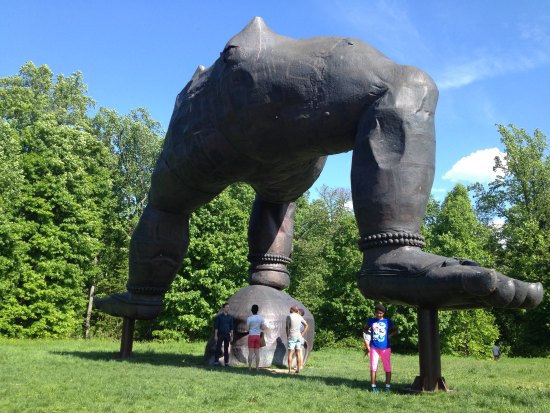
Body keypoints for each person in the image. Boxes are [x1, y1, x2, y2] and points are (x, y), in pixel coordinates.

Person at [94, 16, 543, 323]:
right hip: (226, 103)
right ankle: (392, 252)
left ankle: (152, 294)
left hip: (214, 135)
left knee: (185, 205)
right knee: (404, 85)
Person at [366, 304, 397, 392]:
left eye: (380, 313)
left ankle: (387, 387)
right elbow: (365, 329)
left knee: (387, 367)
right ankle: (373, 387)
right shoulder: (371, 321)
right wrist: (369, 335)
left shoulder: (388, 321)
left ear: (383, 313)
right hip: (374, 347)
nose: (379, 315)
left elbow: (396, 330)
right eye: (377, 313)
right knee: (373, 367)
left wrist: (390, 335)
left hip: (385, 348)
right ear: (375, 313)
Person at [286, 305, 308, 373]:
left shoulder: (289, 316)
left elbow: (287, 327)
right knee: (298, 353)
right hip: (299, 336)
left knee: (290, 353)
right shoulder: (300, 317)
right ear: (297, 310)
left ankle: (289, 370)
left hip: (292, 336)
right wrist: (302, 334)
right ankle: (298, 369)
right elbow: (306, 325)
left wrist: (287, 335)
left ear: (292, 310)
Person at [246, 304, 264, 371]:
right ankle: (257, 368)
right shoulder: (261, 318)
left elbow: (247, 329)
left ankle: (250, 368)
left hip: (251, 336)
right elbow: (263, 327)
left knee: (250, 353)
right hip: (257, 336)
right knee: (257, 353)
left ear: (251, 310)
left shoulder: (249, 318)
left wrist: (251, 328)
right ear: (257, 310)